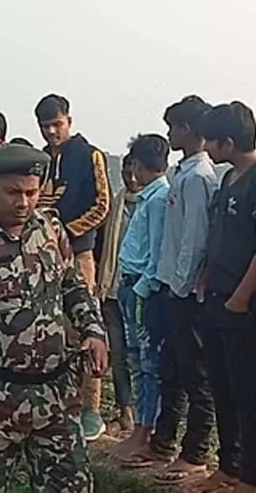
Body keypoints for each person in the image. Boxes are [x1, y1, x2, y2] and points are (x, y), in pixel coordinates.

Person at [0, 143, 108, 492]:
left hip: (56, 396)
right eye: (13, 192)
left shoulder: (50, 229)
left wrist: (93, 330)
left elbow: (72, 285)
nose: (24, 202)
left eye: (31, 192)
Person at [122, 95, 219, 488]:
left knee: (195, 375)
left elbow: (194, 240)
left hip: (183, 291)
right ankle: (163, 444)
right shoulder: (183, 173)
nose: (170, 134)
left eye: (173, 128)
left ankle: (195, 453)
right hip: (170, 286)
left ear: (188, 129)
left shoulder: (198, 178)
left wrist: (179, 286)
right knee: (171, 371)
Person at [197, 102, 256, 493]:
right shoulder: (229, 178)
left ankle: (253, 474)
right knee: (221, 385)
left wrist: (242, 296)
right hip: (218, 294)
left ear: (227, 142)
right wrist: (206, 276)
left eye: (210, 141)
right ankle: (228, 465)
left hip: (244, 301)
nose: (206, 147)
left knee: (247, 390)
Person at [35, 93, 113, 441]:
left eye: (57, 124)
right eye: (45, 126)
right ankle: (60, 402)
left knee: (86, 328)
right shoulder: (41, 160)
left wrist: (65, 232)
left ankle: (91, 408)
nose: (52, 132)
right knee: (48, 328)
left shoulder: (89, 155)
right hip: (42, 256)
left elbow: (102, 205)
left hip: (79, 255)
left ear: (69, 120)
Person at [112, 134, 170, 459]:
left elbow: (158, 251)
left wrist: (141, 290)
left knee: (147, 363)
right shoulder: (148, 197)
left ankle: (147, 430)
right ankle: (141, 428)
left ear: (136, 164)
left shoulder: (159, 199)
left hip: (141, 289)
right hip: (130, 284)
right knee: (136, 359)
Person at [96, 153, 141, 439]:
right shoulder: (115, 205)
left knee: (141, 357)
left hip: (140, 291)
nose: (132, 179)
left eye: (136, 173)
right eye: (127, 173)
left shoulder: (156, 203)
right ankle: (125, 411)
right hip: (112, 289)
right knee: (119, 353)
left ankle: (147, 418)